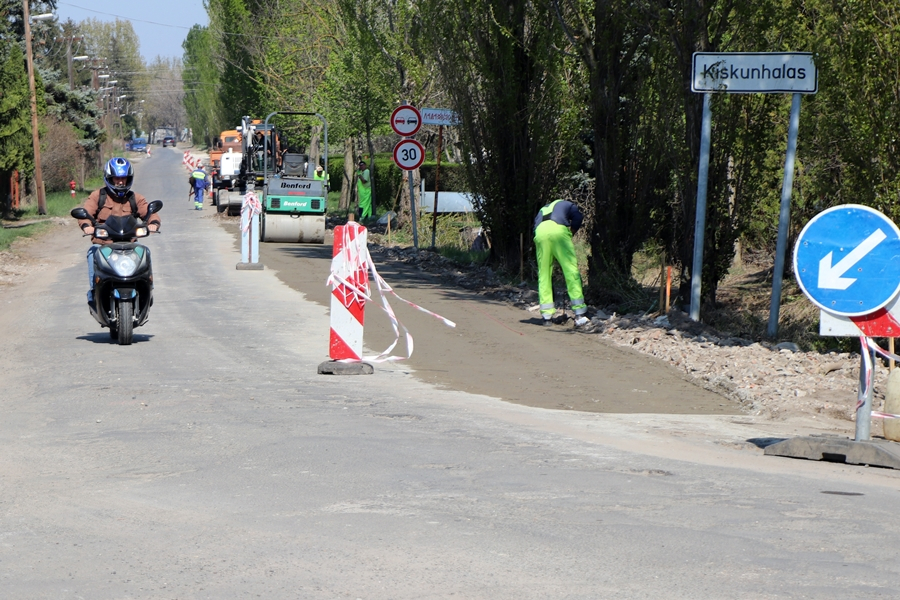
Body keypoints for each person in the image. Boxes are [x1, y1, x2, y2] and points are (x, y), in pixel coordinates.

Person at [77, 157, 160, 307]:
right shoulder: (98, 196)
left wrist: (153, 223)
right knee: (92, 252)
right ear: (109, 178)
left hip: (129, 245)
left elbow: (149, 212)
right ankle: (94, 291)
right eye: (117, 178)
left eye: (124, 178)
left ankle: (147, 289)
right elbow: (86, 213)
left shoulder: (135, 198)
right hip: (104, 246)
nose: (120, 182)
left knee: (145, 251)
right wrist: (86, 226)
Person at [533, 199, 589, 327]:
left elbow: (534, 228)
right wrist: (571, 233)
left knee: (544, 274)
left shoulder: (543, 209)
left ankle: (546, 316)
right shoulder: (570, 205)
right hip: (558, 232)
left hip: (540, 234)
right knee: (570, 270)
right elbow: (578, 218)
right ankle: (579, 312)